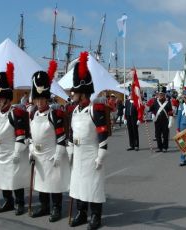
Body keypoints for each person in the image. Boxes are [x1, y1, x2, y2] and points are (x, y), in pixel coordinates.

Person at [67, 51, 109, 230]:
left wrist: (101, 155)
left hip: (92, 154)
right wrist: (69, 149)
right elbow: (71, 133)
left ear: (82, 93)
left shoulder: (95, 110)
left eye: (74, 92)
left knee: (93, 186)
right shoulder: (75, 110)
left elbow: (103, 136)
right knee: (78, 186)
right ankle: (81, 212)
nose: (72, 94)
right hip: (78, 153)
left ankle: (95, 216)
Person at [29, 60, 70, 222]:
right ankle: (44, 206)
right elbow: (31, 136)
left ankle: (56, 208)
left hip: (52, 154)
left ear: (47, 100)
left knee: (54, 183)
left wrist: (59, 155)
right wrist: (31, 150)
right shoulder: (32, 114)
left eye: (42, 100)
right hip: (38, 154)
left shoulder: (55, 115)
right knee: (41, 183)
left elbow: (61, 137)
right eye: (37, 100)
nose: (39, 103)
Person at [0, 62, 30, 215]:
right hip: (0, 152)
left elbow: (20, 135)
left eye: (1, 100)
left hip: (13, 152)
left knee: (15, 179)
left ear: (8, 100)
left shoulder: (16, 113)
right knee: (2, 180)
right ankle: (8, 201)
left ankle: (19, 203)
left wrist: (17, 153)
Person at [149, 87, 173, 152]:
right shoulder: (155, 102)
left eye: (162, 95)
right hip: (157, 121)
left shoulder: (168, 102)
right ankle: (160, 147)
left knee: (165, 135)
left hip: (165, 121)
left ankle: (165, 147)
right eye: (159, 94)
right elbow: (151, 109)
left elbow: (170, 112)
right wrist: (152, 114)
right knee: (158, 135)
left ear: (164, 95)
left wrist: (170, 121)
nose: (160, 96)